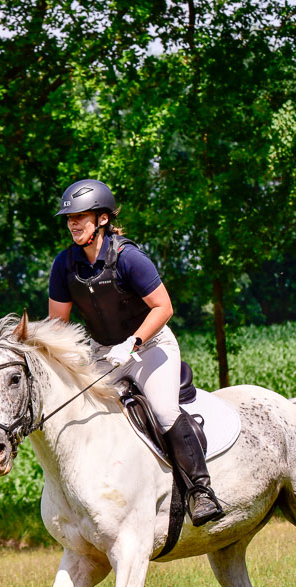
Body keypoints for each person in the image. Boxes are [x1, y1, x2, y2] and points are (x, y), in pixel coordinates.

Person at [48, 178, 224, 527]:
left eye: (80, 217)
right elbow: (57, 325)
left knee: (164, 411)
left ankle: (200, 491)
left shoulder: (129, 258)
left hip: (150, 345)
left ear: (102, 219)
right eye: (69, 218)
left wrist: (132, 343)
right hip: (103, 352)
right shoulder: (64, 265)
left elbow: (163, 307)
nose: (73, 224)